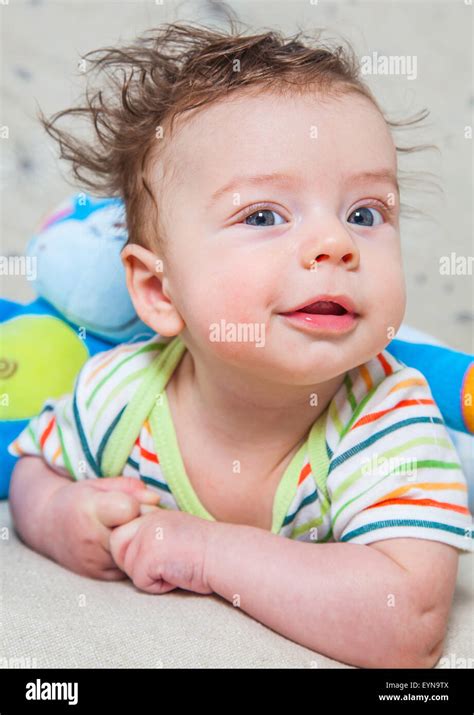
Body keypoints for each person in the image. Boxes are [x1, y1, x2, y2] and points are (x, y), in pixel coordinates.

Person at [8, 21, 473, 668]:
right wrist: (59, 513)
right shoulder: (125, 391)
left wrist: (206, 552)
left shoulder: (387, 414)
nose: (334, 244)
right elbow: (31, 465)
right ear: (159, 292)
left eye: (364, 213)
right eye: (263, 215)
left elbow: (409, 621)